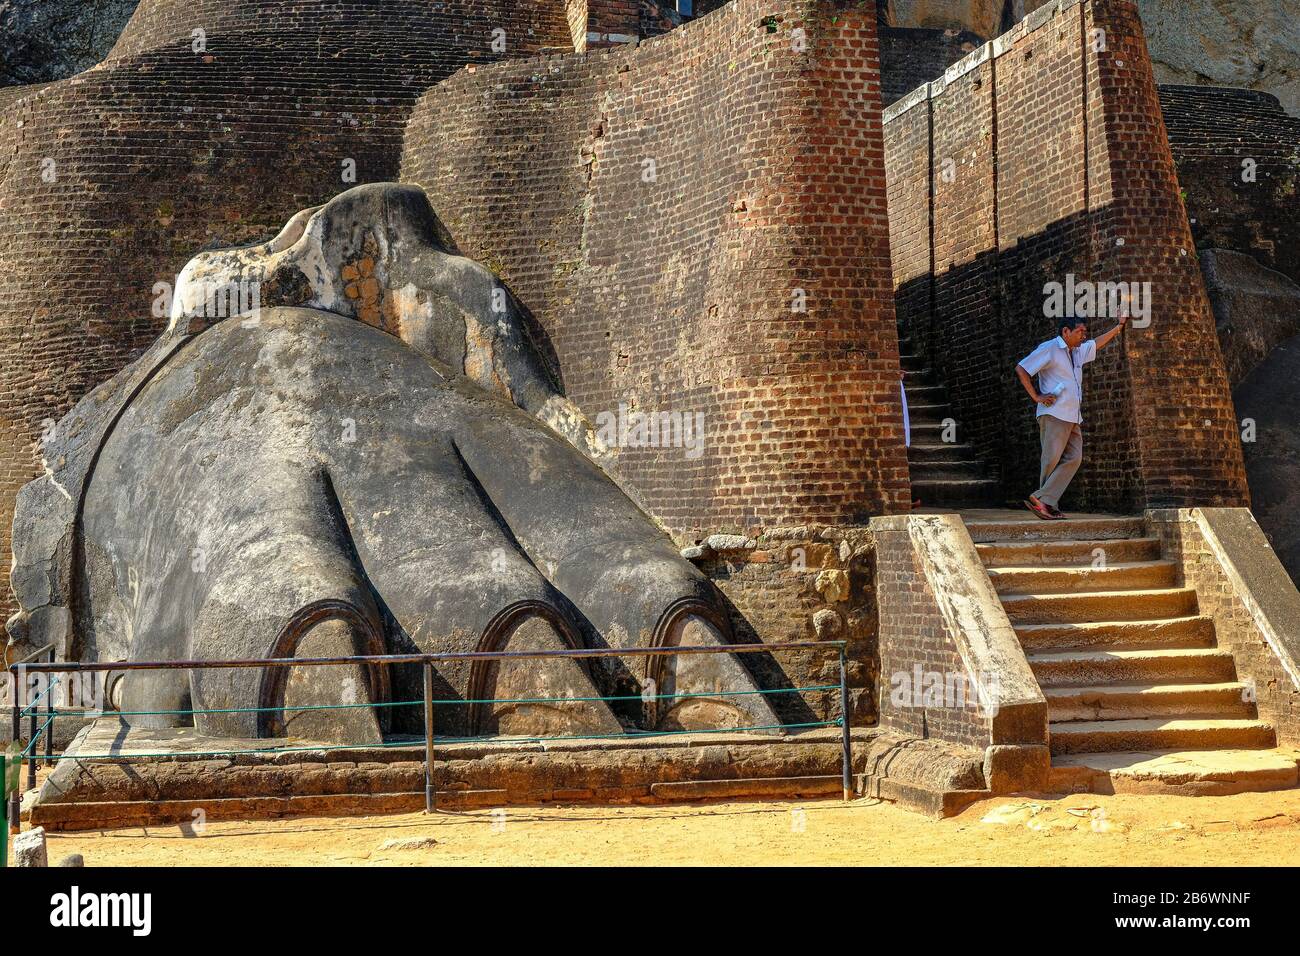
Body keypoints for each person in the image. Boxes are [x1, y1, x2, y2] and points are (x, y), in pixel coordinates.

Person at [1014, 316, 1127, 520]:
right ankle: (1047, 504)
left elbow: (1096, 343)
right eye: (1080, 332)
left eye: (1084, 332)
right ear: (1066, 332)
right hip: (1054, 414)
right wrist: (1036, 396)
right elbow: (1022, 368)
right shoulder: (1049, 348)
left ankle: (1044, 499)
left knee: (1074, 458)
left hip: (1073, 416)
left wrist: (1118, 327)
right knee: (1051, 460)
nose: (1084, 335)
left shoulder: (1077, 351)